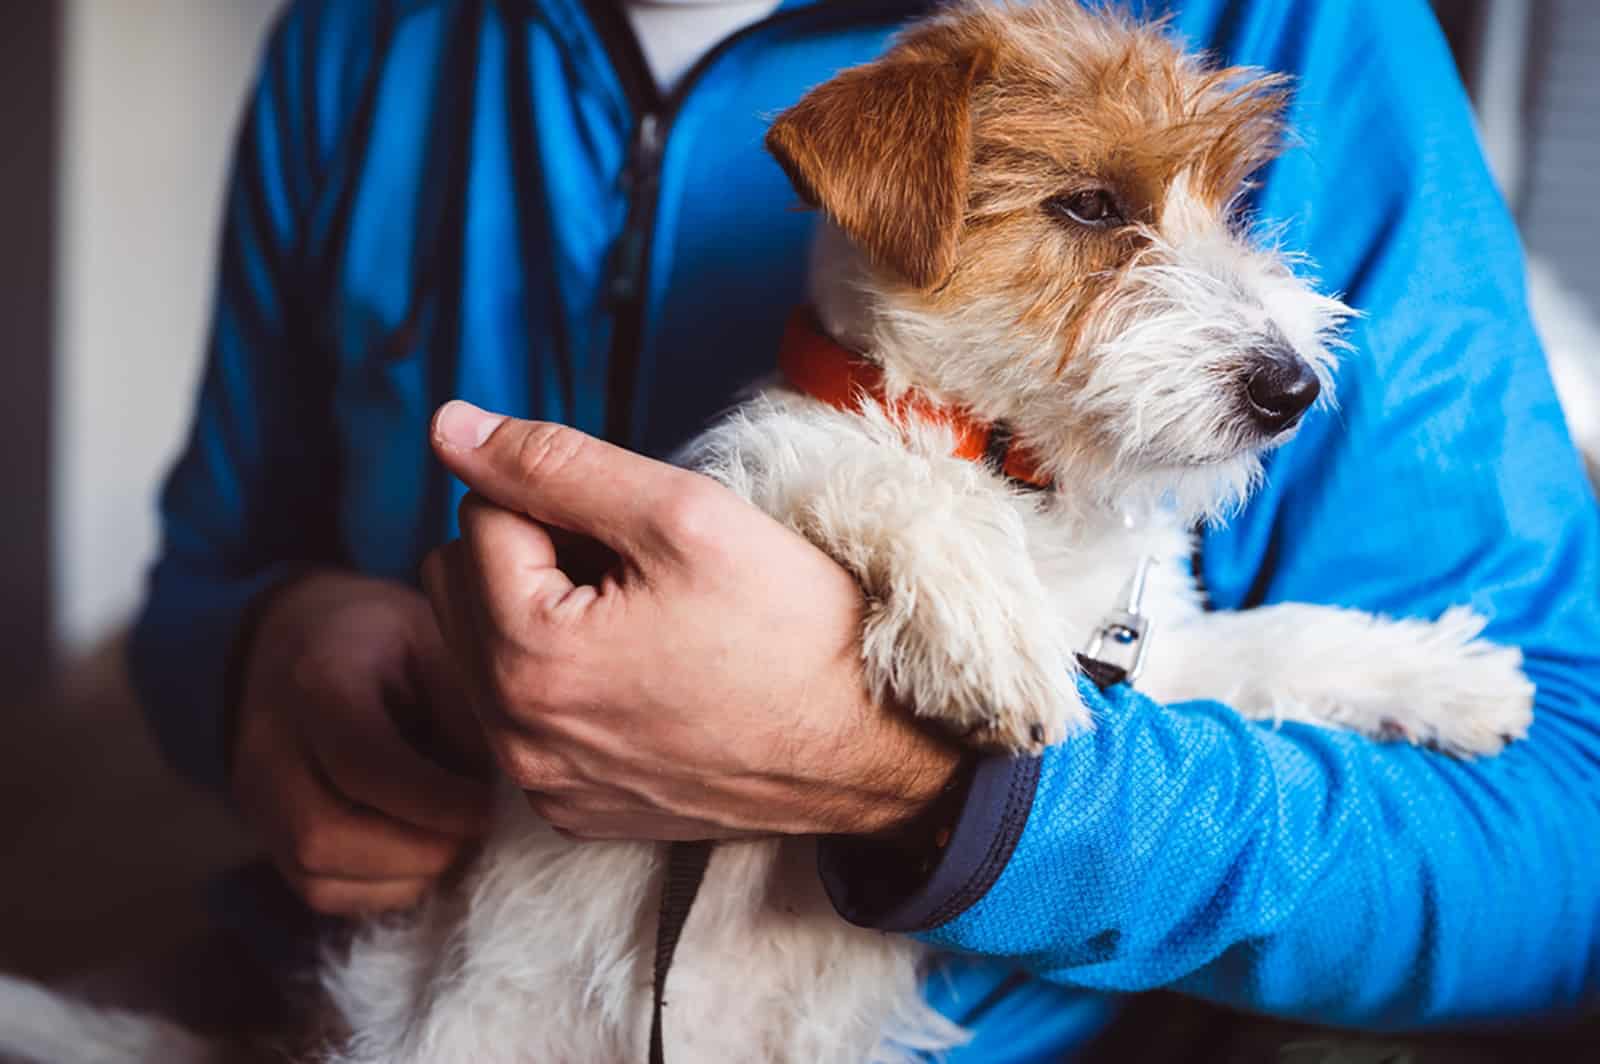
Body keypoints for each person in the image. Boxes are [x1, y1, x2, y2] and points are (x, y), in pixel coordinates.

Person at [129, 0, 1600, 1059]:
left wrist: (929, 790)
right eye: (1097, 209)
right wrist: (268, 648)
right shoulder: (354, 43)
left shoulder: (1312, 24)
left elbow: (1563, 835)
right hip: (377, 993)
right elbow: (195, 591)